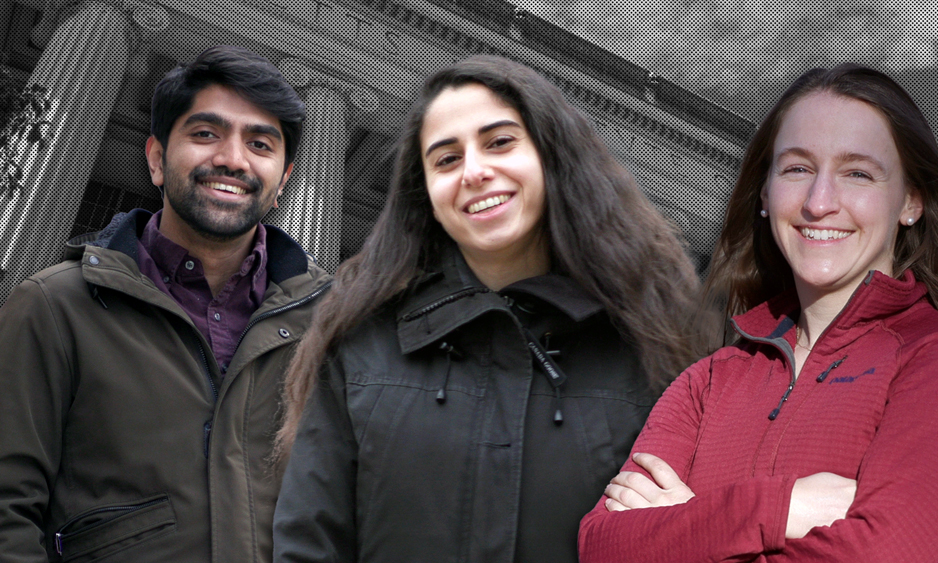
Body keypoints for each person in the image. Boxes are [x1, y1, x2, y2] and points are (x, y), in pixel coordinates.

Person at [271, 54, 707, 563]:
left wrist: (699, 529)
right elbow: (309, 546)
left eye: (500, 142)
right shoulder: (359, 349)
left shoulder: (651, 350)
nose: (475, 171)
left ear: (550, 156)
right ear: (426, 193)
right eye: (446, 159)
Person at [578, 63, 938, 562]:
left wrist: (689, 524)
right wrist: (779, 509)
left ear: (910, 201)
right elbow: (602, 547)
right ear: (764, 194)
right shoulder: (707, 383)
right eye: (797, 169)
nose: (819, 203)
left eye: (857, 173)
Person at [0, 45, 332, 563]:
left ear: (283, 180)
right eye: (205, 134)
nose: (233, 158)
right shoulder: (53, 308)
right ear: (156, 158)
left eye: (261, 144)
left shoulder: (334, 324)